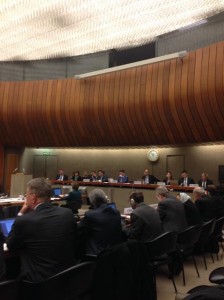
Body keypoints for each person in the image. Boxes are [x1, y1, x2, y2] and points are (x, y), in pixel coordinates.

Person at [6, 178, 76, 282]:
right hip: (67, 277)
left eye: (26, 195)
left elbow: (10, 245)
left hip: (39, 282)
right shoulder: (67, 213)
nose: (26, 198)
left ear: (33, 197)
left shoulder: (24, 220)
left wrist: (21, 213)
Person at [77, 189, 123, 257]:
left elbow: (78, 230)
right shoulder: (116, 212)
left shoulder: (90, 215)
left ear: (92, 201)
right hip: (114, 251)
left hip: (97, 254)